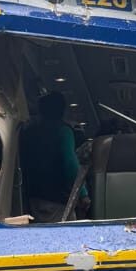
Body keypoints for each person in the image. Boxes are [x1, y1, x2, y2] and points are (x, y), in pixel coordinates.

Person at [19, 91, 87, 223]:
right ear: (63, 110)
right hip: (58, 200)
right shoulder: (63, 131)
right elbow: (70, 165)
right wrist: (83, 194)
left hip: (33, 198)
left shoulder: (29, 132)